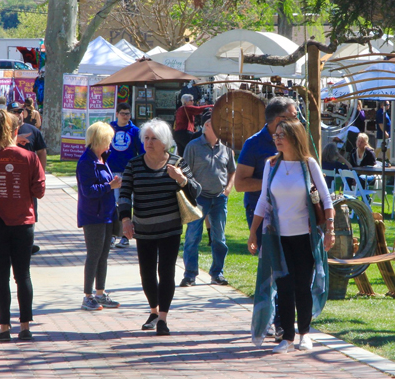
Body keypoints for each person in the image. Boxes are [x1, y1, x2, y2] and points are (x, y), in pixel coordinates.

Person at [247, 119, 334, 353]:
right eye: (275, 135)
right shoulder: (271, 165)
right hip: (277, 237)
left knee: (301, 286)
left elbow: (326, 198)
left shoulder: (309, 164)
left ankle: (305, 333)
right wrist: (253, 232)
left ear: (295, 137)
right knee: (284, 287)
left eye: (281, 135)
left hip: (304, 236)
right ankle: (287, 336)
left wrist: (330, 230)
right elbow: (264, 201)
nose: (276, 138)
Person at [119, 118, 201, 336]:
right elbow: (125, 195)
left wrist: (181, 179)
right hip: (143, 230)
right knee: (146, 274)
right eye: (146, 138)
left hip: (170, 230)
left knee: (166, 273)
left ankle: (163, 318)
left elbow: (196, 191)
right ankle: (153, 311)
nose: (149, 142)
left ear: (164, 142)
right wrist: (126, 220)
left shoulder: (177, 163)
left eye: (154, 138)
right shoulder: (134, 165)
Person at [235, 96, 297, 341]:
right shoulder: (254, 144)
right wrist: (274, 184)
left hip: (293, 214)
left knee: (289, 267)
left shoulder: (295, 141)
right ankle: (272, 320)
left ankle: (282, 321)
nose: (298, 119)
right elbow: (239, 184)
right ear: (279, 119)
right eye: (293, 115)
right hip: (263, 214)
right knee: (272, 268)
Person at [0, 109, 45, 342]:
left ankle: (4, 327)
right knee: (23, 275)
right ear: (16, 130)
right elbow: (40, 191)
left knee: (1, 276)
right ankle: (26, 327)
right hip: (23, 222)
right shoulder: (30, 157)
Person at [181, 110, 236, 287]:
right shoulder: (193, 146)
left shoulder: (227, 147)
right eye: (217, 123)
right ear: (206, 126)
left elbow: (232, 170)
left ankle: (217, 273)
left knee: (219, 239)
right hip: (198, 199)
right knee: (192, 238)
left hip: (219, 199)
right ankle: (190, 275)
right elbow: (185, 173)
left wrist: (227, 190)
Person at [76, 122, 122, 311]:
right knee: (93, 255)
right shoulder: (87, 161)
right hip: (93, 215)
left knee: (103, 255)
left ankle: (100, 293)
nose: (110, 143)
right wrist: (110, 186)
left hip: (107, 214)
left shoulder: (102, 159)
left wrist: (112, 184)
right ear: (100, 140)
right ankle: (87, 296)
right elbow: (88, 191)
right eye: (108, 139)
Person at [8, 101, 47, 255]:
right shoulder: (3, 132)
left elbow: (42, 151)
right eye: (13, 111)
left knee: (30, 211)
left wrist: (41, 172)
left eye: (19, 111)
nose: (17, 114)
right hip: (8, 178)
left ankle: (28, 243)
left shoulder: (32, 130)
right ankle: (10, 243)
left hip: (28, 179)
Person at [106, 103, 144, 249]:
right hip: (111, 171)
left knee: (125, 203)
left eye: (128, 113)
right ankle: (112, 235)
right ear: (116, 114)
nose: (125, 116)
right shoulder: (109, 129)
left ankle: (125, 236)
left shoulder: (135, 131)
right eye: (122, 113)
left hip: (128, 172)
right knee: (112, 204)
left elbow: (141, 152)